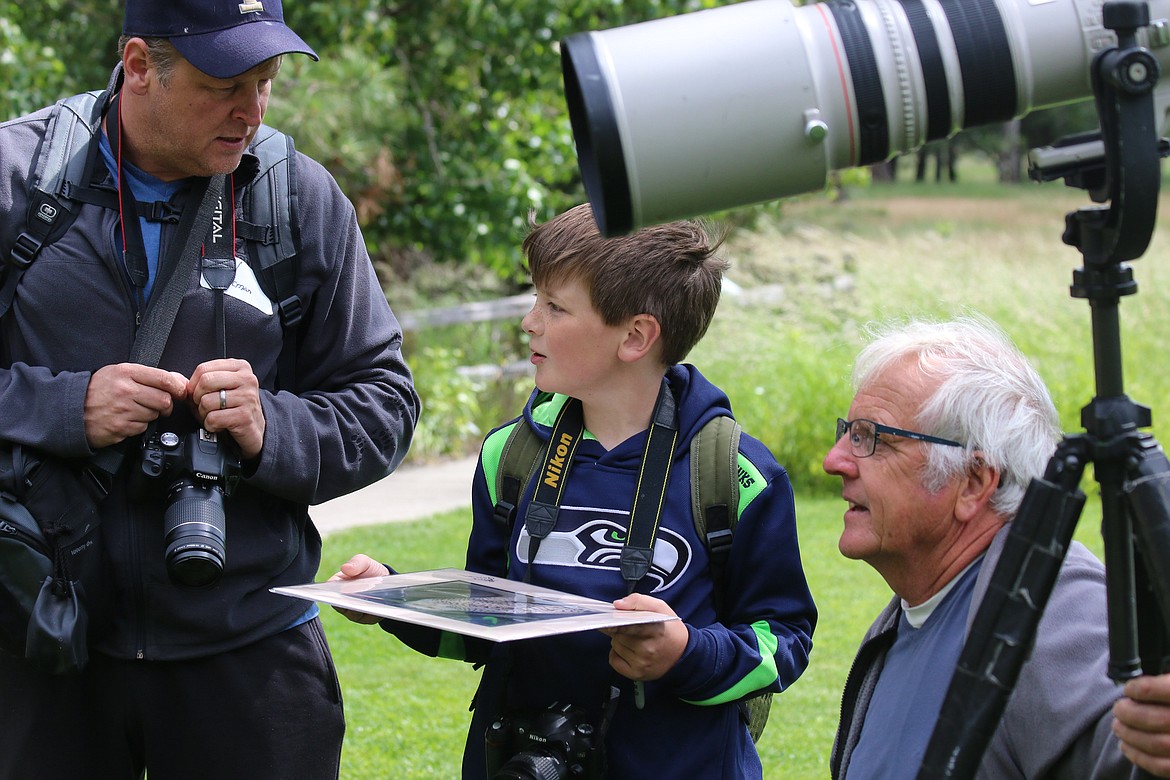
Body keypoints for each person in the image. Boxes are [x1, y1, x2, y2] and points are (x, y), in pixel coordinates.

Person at [0, 2, 420, 778]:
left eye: (267, 82)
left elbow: (385, 401)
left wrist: (273, 427)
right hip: (39, 639)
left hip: (249, 647)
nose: (251, 110)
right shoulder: (19, 179)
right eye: (225, 82)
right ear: (137, 66)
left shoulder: (296, 196)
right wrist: (64, 407)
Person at [332, 203, 816, 779]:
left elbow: (783, 642)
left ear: (636, 336)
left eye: (555, 307)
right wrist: (393, 599)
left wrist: (685, 653)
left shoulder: (735, 475)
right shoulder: (509, 456)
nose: (529, 322)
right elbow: (489, 627)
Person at [825, 315, 1170, 779]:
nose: (835, 461)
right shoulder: (921, 605)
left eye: (872, 438)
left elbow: (1132, 758)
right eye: (847, 431)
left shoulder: (1050, 611)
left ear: (973, 482)